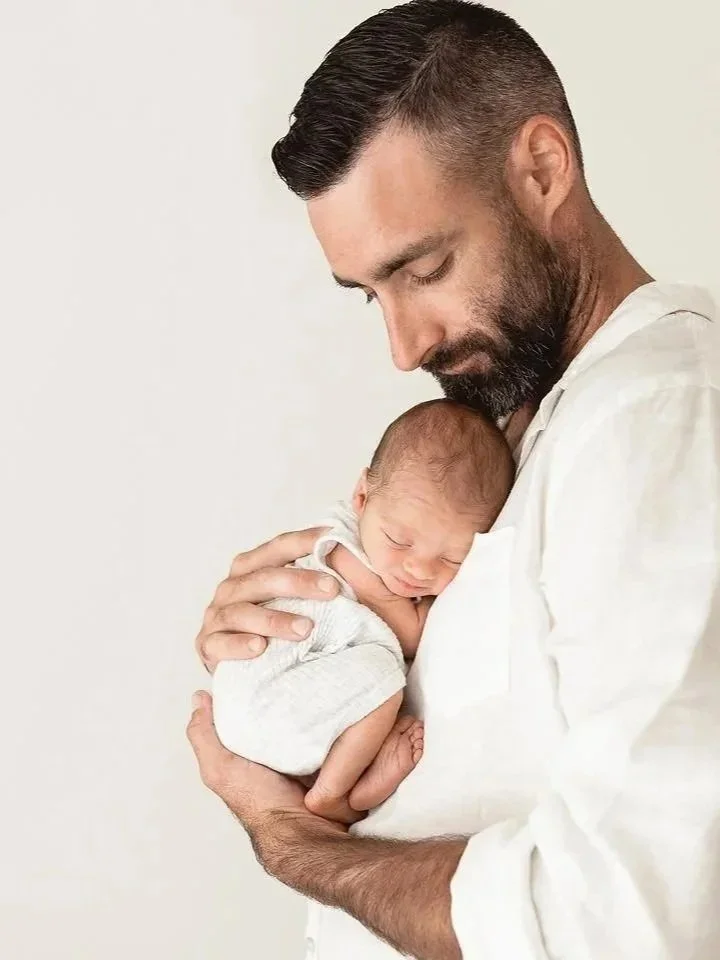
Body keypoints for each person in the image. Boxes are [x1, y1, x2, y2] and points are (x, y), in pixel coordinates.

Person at [186, 2, 720, 958]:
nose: (403, 347)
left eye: (423, 269)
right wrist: (292, 641)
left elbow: (627, 917)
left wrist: (293, 840)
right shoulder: (519, 433)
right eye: (370, 297)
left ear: (543, 169)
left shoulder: (656, 422)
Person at [211, 400, 514, 825]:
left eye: (452, 558)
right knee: (383, 676)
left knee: (364, 679)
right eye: (400, 540)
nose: (417, 569)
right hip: (265, 700)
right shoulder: (343, 550)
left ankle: (335, 775)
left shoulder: (378, 534)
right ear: (362, 496)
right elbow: (411, 636)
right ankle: (334, 794)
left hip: (268, 713)